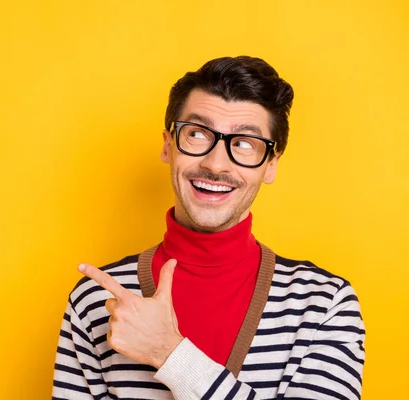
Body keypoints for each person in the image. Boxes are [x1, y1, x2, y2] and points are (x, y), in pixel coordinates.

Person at [52, 56, 365, 399]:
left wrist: (168, 353)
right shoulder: (98, 300)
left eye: (245, 143)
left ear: (271, 165)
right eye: (198, 134)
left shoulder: (323, 304)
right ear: (168, 144)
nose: (216, 164)